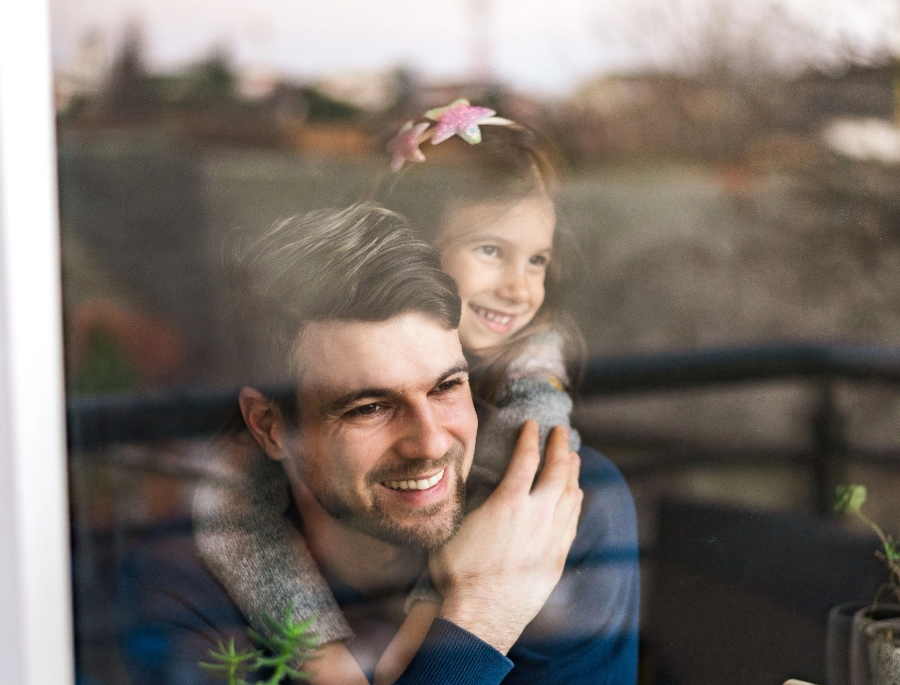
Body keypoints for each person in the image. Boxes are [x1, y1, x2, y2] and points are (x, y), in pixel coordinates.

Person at [118, 203, 638, 685]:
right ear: (270, 427)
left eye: (446, 387)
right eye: (371, 407)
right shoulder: (184, 578)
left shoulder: (563, 514)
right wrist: (477, 618)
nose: (430, 442)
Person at [189, 102, 588, 684]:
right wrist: (322, 658)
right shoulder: (201, 558)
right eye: (490, 251)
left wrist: (438, 621)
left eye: (537, 260)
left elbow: (532, 486)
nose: (518, 287)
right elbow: (228, 508)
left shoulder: (534, 380)